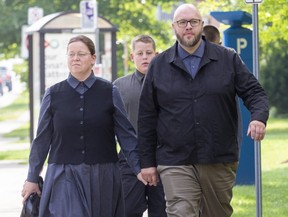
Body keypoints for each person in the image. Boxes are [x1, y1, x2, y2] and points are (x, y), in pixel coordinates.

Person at [138, 3, 269, 217]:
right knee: (180, 212)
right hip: (174, 158)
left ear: (202, 25)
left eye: (193, 22)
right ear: (173, 26)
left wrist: (258, 118)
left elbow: (256, 93)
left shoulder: (228, 58)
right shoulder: (159, 65)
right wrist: (147, 163)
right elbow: (146, 116)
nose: (188, 27)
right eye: (182, 22)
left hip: (218, 156)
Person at [21, 35, 146, 217]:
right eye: (71, 54)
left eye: (81, 54)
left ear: (93, 58)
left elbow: (125, 135)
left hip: (102, 175)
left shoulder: (110, 91)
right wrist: (32, 177)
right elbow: (41, 140)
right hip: (63, 174)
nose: (75, 58)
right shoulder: (53, 94)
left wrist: (139, 169)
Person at [113, 35, 167, 217]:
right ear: (131, 57)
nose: (145, 57)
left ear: (156, 55)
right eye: (140, 53)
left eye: (149, 53)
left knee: (162, 211)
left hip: (163, 159)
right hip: (129, 160)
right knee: (127, 210)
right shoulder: (119, 87)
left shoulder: (168, 84)